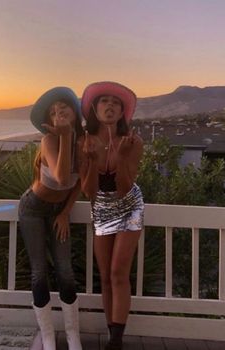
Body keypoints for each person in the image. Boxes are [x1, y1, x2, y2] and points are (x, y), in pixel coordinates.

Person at [79, 81, 144, 350]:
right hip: (101, 206)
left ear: (122, 112)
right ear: (95, 109)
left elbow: (125, 187)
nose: (110, 105)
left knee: (118, 272)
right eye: (104, 101)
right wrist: (93, 161)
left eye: (116, 103)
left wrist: (123, 157)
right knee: (105, 275)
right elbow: (89, 191)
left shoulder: (132, 142)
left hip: (129, 204)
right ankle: (110, 333)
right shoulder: (84, 143)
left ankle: (116, 341)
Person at [18, 87, 83, 350]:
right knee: (39, 273)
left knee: (65, 271)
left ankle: (73, 336)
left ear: (74, 111)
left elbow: (78, 184)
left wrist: (66, 212)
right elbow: (61, 178)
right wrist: (65, 136)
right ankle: (47, 336)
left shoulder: (81, 141)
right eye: (53, 111)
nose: (58, 113)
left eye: (62, 107)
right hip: (32, 208)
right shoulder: (49, 141)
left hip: (58, 211)